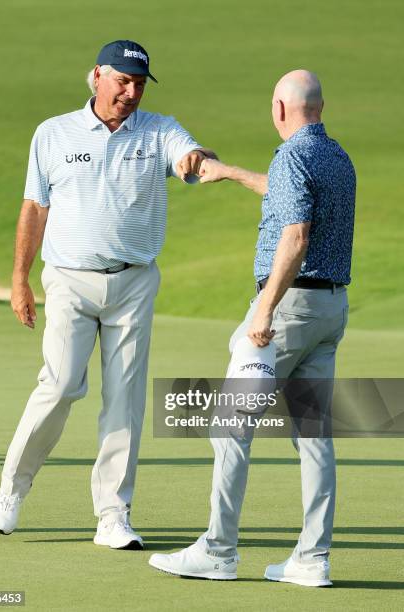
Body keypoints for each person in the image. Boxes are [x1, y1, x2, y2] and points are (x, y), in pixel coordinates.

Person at [0, 39, 216, 550]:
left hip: (134, 282)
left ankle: (113, 514)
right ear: (97, 76)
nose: (131, 93)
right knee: (63, 383)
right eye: (122, 81)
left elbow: (188, 156)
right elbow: (35, 208)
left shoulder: (158, 130)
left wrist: (197, 159)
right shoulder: (53, 133)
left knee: (126, 402)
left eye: (138, 84)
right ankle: (11, 489)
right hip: (68, 279)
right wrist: (19, 280)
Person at [149, 69, 356, 584]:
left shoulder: (291, 155)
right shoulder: (337, 157)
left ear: (279, 109)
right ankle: (312, 559)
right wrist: (232, 172)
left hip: (285, 310)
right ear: (320, 108)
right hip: (329, 311)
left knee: (230, 425)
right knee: (313, 435)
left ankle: (218, 550)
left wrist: (263, 309)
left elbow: (296, 234)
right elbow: (291, 197)